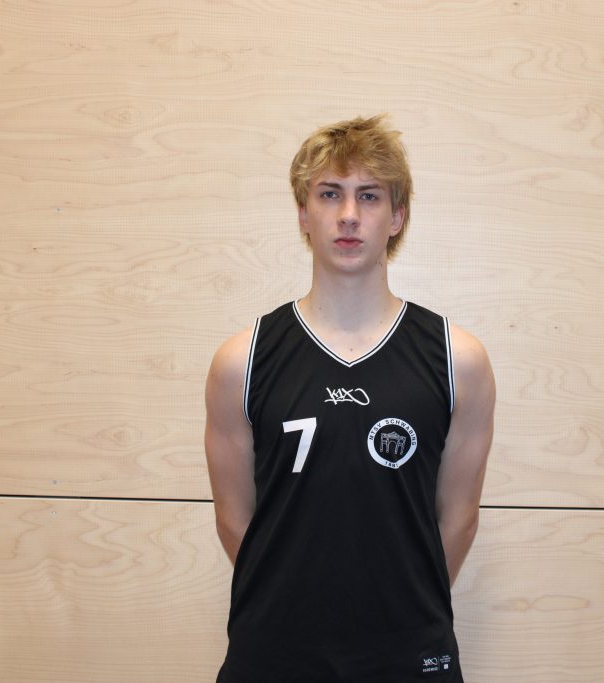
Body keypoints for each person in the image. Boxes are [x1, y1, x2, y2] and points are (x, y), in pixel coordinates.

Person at [205, 114, 495, 682]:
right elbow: (235, 521)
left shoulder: (458, 360)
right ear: (303, 214)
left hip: (408, 649)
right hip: (275, 650)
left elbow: (458, 520)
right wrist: (299, 601)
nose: (348, 215)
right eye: (329, 194)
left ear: (397, 216)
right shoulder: (241, 361)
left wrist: (392, 605)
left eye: (369, 196)